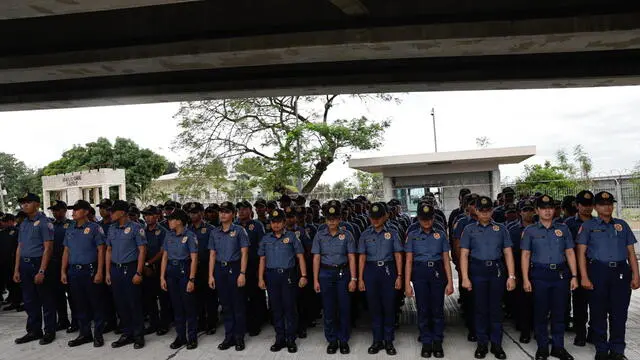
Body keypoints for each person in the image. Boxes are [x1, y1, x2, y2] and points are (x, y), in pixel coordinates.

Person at [576, 191, 640, 360]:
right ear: (596, 207)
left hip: (620, 272)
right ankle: (602, 349)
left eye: (610, 204)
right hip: (597, 271)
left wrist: (636, 275)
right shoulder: (588, 226)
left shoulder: (622, 225)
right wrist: (584, 276)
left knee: (619, 313)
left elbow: (631, 253)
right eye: (603, 204)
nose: (607, 207)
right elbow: (581, 253)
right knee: (598, 312)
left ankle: (618, 350)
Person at [521, 195, 578, 360]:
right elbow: (525, 255)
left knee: (560, 312)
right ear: (537, 210)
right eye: (543, 208)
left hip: (560, 275)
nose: (547, 211)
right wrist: (525, 279)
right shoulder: (530, 231)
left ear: (554, 210)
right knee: (540, 312)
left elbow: (569, 252)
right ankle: (543, 347)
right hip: (539, 274)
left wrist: (574, 276)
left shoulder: (563, 229)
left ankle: (558, 347)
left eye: (550, 208)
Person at [460, 196, 516, 359]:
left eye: (488, 210)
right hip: (477, 270)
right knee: (480, 309)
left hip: (497, 270)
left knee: (496, 308)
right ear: (476, 211)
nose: (485, 213)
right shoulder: (469, 229)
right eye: (481, 210)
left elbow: (508, 253)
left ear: (492, 210)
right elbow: (464, 254)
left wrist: (511, 276)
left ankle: (497, 344)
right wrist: (464, 277)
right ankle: (482, 344)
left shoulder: (501, 229)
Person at [405, 204, 453, 358]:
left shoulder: (440, 235)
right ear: (418, 218)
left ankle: (437, 340)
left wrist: (450, 282)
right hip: (419, 272)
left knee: (437, 308)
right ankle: (426, 340)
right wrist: (407, 283)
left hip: (437, 272)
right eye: (423, 219)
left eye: (429, 219)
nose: (426, 222)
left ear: (434, 218)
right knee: (423, 308)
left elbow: (446, 259)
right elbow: (409, 261)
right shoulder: (412, 235)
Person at [258, 208, 308, 353]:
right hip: (272, 276)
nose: (276, 225)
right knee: (276, 308)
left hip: (288, 276)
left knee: (289, 308)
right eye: (273, 222)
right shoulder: (266, 239)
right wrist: (261, 278)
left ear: (284, 222)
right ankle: (280, 338)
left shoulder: (292, 237)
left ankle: (291, 339)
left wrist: (303, 275)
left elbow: (300, 257)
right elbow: (262, 259)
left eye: (279, 222)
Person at [358, 202, 404, 356]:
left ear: (385, 216)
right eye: (372, 217)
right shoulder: (365, 234)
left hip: (388, 270)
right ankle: (377, 340)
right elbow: (362, 257)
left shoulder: (392, 232)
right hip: (371, 271)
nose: (375, 220)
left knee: (389, 306)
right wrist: (360, 278)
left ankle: (389, 340)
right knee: (374, 307)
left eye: (378, 217)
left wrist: (399, 276)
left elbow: (398, 255)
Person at [311, 202, 357, 354]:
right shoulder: (319, 235)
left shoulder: (347, 235)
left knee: (344, 308)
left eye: (335, 218)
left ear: (340, 219)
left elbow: (351, 257)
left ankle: (343, 340)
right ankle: (332, 340)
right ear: (325, 220)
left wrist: (354, 279)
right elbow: (316, 258)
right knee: (329, 309)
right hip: (325, 274)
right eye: (329, 218)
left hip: (343, 274)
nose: (332, 221)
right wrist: (315, 279)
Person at [60, 200, 106, 348]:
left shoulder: (94, 228)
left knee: (96, 303)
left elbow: (101, 250)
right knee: (79, 304)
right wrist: (63, 271)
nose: (73, 212)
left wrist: (100, 271)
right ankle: (84, 333)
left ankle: (98, 335)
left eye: (77, 210)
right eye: (72, 210)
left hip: (90, 270)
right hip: (74, 271)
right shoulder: (70, 229)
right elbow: (66, 251)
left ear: (86, 212)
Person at [14, 193, 57, 345]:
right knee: (29, 300)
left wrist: (41, 270)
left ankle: (49, 331)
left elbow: (48, 248)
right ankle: (33, 331)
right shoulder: (23, 223)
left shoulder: (45, 222)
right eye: (22, 203)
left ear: (37, 204)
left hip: (39, 263)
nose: (24, 205)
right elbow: (20, 247)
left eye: (28, 202)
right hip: (25, 265)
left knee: (46, 299)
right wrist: (16, 269)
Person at [105, 200, 147, 349]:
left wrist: (138, 272)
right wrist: (107, 272)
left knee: (133, 303)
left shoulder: (136, 228)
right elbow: (108, 250)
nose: (110, 214)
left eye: (113, 211)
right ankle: (127, 333)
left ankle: (138, 335)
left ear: (122, 212)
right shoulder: (111, 229)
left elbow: (142, 250)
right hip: (116, 269)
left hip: (130, 268)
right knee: (120, 303)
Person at [209, 201, 250, 351]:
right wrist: (210, 275)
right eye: (221, 211)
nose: (222, 214)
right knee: (226, 305)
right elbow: (212, 255)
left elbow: (245, 253)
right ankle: (229, 336)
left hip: (235, 268)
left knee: (237, 304)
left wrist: (242, 273)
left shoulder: (239, 231)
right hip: (220, 269)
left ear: (233, 214)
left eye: (226, 212)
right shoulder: (214, 232)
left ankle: (239, 337)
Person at [160, 209, 199, 350]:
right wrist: (162, 277)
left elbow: (194, 259)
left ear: (180, 221)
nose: (168, 222)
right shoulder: (168, 235)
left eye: (171, 219)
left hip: (184, 271)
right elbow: (165, 256)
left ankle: (192, 337)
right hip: (171, 271)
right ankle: (180, 336)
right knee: (177, 306)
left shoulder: (190, 236)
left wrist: (192, 279)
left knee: (188, 306)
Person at [563, 190, 594, 347]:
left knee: (596, 302)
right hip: (575, 268)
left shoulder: (598, 222)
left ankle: (594, 332)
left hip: (594, 267)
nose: (587, 208)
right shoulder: (568, 224)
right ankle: (580, 333)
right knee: (579, 302)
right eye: (584, 205)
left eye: (590, 205)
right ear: (577, 205)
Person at [236, 200, 267, 336]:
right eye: (239, 209)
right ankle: (244, 323)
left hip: (254, 264)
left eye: (244, 209)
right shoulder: (234, 226)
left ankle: (256, 323)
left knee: (255, 295)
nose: (241, 211)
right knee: (240, 296)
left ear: (250, 210)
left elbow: (262, 245)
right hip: (238, 265)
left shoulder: (257, 225)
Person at [187, 202, 219, 335]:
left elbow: (215, 250)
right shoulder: (187, 229)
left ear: (202, 213)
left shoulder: (211, 229)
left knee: (210, 296)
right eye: (191, 212)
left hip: (207, 266)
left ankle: (211, 323)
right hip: (192, 266)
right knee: (196, 297)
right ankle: (200, 322)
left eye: (195, 212)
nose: (192, 215)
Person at [48, 200, 77, 333]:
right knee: (57, 294)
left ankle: (76, 321)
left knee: (72, 294)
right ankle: (63, 320)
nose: (55, 212)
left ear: (64, 210)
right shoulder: (50, 225)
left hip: (69, 262)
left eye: (57, 210)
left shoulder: (72, 225)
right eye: (53, 210)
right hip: (54, 263)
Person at [141, 205, 170, 336]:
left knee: (163, 299)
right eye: (145, 215)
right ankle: (154, 324)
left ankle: (164, 324)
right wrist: (144, 265)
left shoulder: (163, 231)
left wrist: (149, 263)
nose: (147, 217)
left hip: (160, 268)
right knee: (149, 298)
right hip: (146, 269)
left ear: (157, 216)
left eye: (150, 215)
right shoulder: (142, 231)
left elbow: (163, 251)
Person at [508, 200, 535, 344]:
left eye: (531, 209)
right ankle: (525, 331)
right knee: (522, 302)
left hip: (537, 269)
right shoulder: (513, 229)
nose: (528, 212)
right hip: (519, 269)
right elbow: (509, 252)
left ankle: (537, 330)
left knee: (538, 302)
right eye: (525, 210)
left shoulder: (540, 227)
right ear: (520, 212)